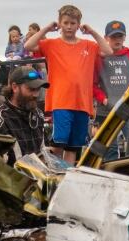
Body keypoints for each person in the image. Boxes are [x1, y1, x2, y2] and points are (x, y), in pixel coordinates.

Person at [24, 4, 112, 164]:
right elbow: (28, 45)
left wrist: (92, 32)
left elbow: (108, 51)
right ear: (60, 23)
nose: (69, 27)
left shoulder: (89, 45)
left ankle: (66, 177)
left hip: (83, 103)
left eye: (73, 23)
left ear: (78, 25)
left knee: (73, 146)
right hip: (61, 101)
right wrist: (46, 29)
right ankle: (50, 170)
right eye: (65, 23)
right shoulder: (51, 44)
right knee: (59, 142)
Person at [0, 66, 49, 165]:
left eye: (38, 89)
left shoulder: (38, 115)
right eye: (31, 89)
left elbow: (45, 154)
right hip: (12, 179)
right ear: (14, 87)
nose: (36, 94)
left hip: (40, 177)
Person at [93, 20, 129, 161]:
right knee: (109, 148)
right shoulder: (99, 57)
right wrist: (105, 100)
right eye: (113, 37)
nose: (117, 40)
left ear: (124, 37)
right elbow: (93, 85)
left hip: (128, 108)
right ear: (106, 38)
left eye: (120, 36)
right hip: (106, 111)